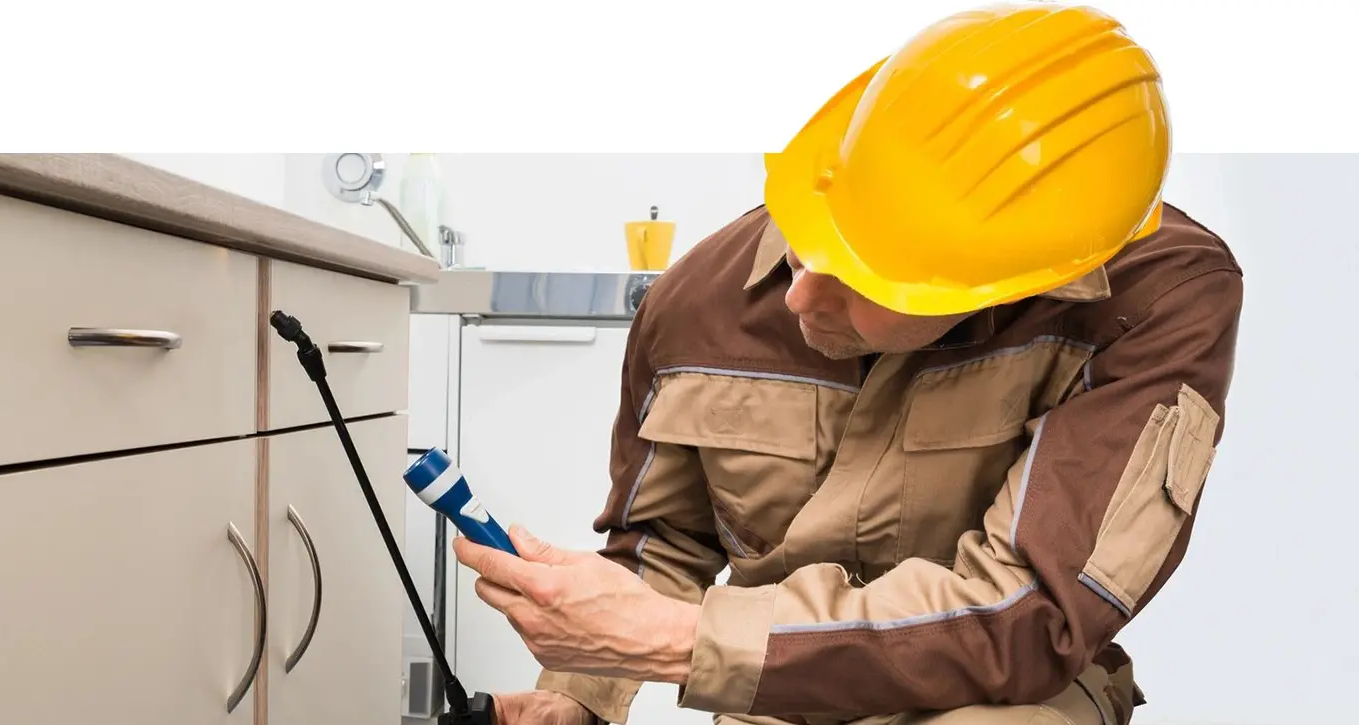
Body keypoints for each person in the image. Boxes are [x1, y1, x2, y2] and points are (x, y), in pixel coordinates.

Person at [453, 3, 1244, 724]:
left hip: (1007, 697)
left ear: (1007, 284)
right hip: (776, 701)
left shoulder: (1157, 301)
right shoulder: (697, 299)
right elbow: (663, 543)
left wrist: (682, 640)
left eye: (863, 273)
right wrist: (577, 699)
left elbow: (1031, 611)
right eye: (808, 236)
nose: (799, 299)